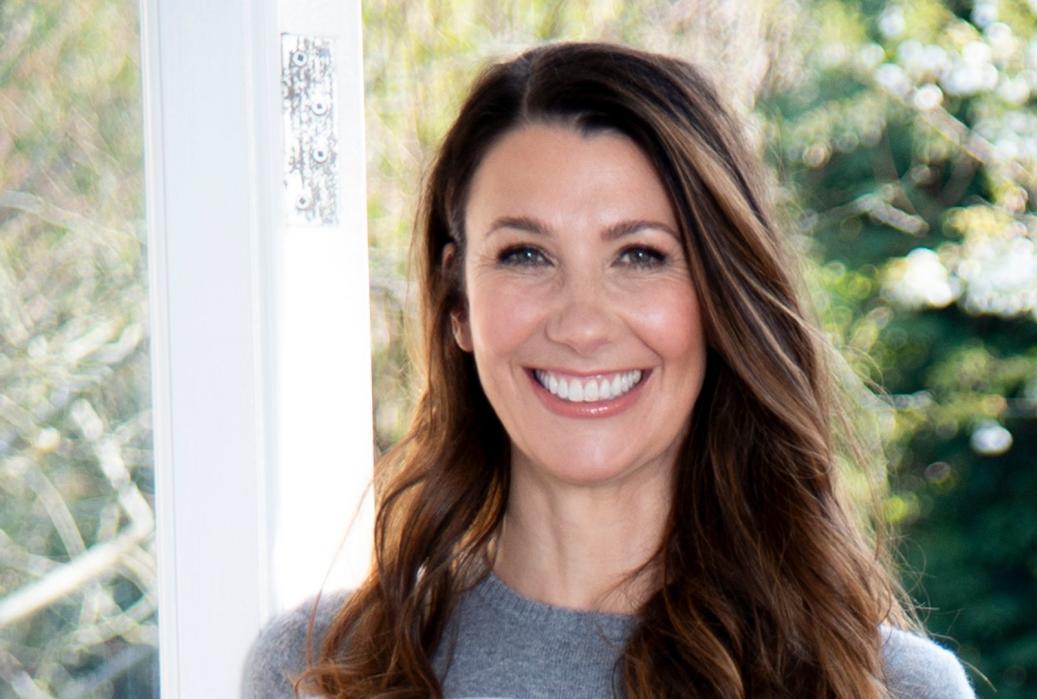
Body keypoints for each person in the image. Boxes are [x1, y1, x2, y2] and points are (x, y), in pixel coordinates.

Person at [243, 41, 976, 698]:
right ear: (458, 300)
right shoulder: (319, 671)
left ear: (719, 297)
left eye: (639, 255)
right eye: (525, 255)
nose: (582, 323)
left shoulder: (884, 687)